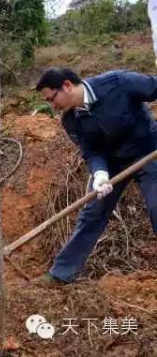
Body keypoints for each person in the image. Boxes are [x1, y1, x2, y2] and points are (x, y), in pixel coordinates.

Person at [34, 67, 157, 284]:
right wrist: (100, 174)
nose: (53, 107)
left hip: (148, 151)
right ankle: (61, 274)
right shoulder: (70, 120)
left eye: (52, 99)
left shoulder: (118, 83)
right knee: (92, 214)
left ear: (67, 86)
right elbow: (91, 151)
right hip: (112, 165)